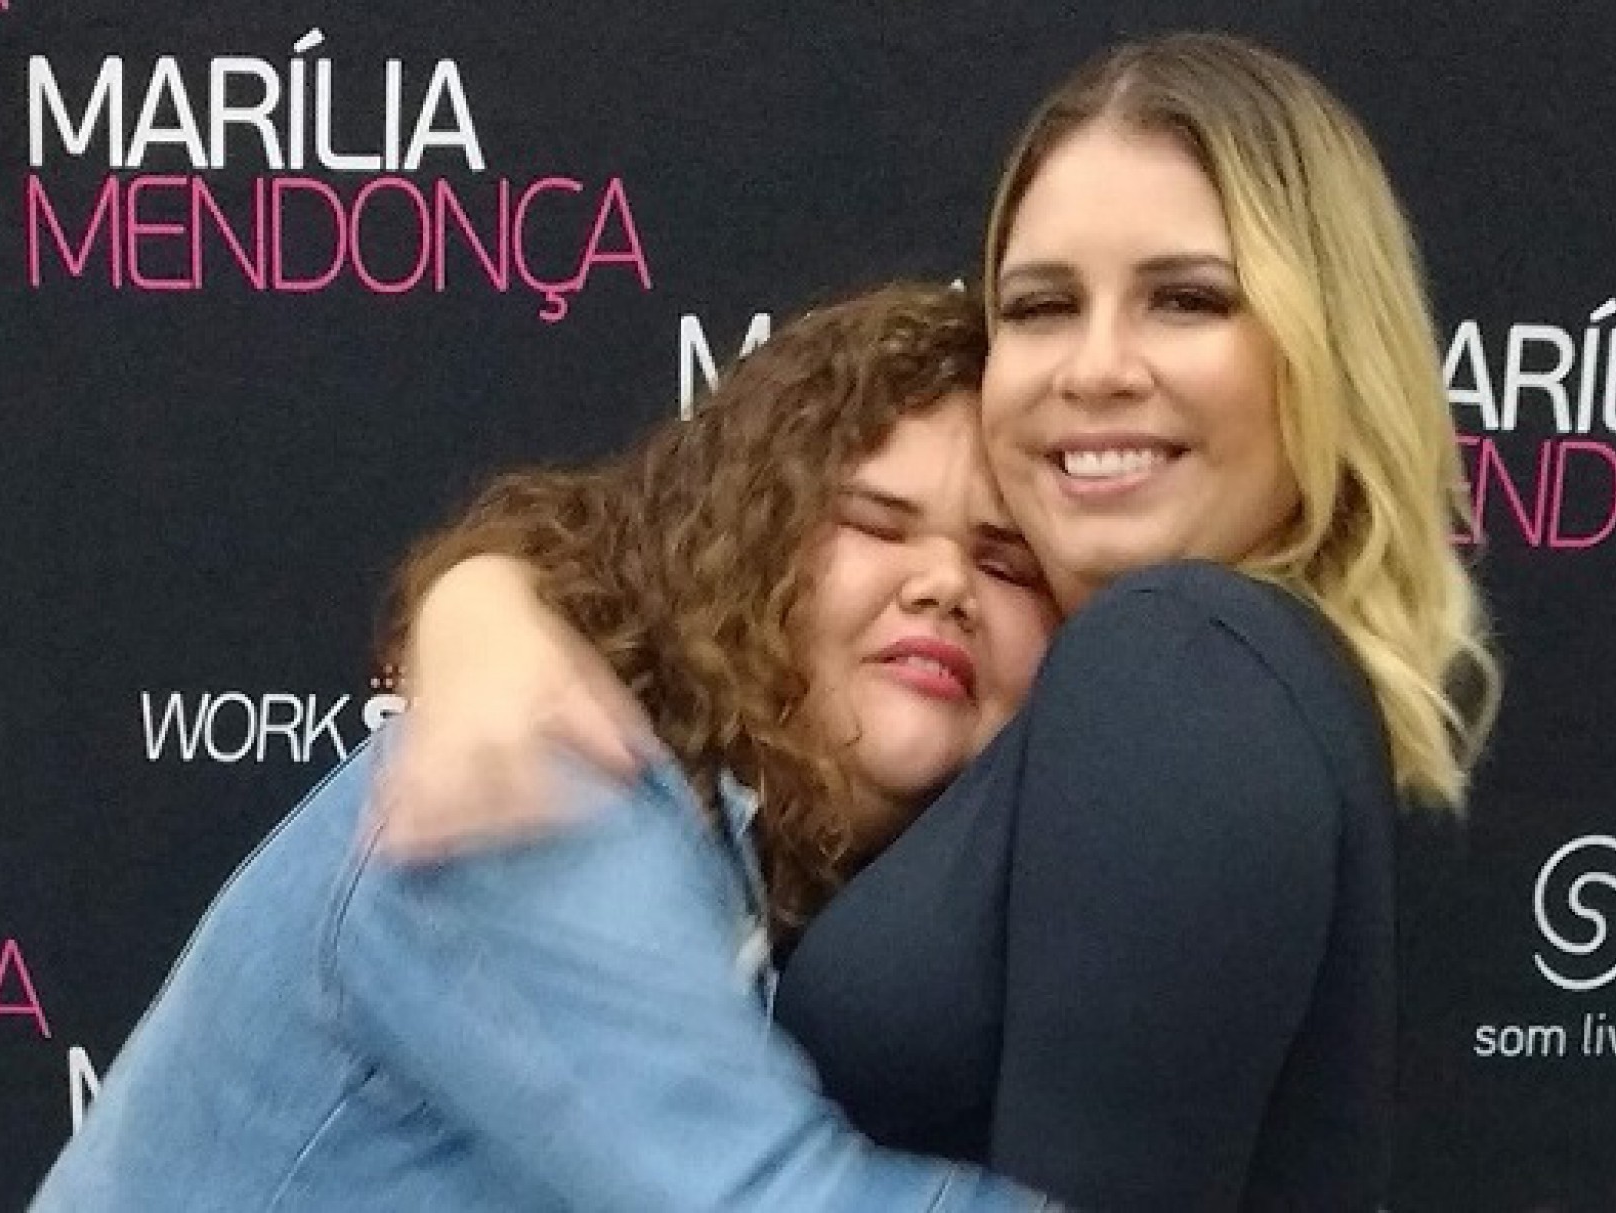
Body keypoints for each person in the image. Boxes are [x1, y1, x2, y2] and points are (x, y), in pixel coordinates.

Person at [376, 31, 1499, 1213]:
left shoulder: (1180, 660)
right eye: (1042, 305)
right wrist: (483, 602)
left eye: (1186, 299)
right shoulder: (1134, 694)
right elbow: (616, 544)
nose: (1097, 367)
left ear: (1323, 347)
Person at [29, 285, 1062, 1212]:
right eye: (878, 523)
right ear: (753, 545)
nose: (942, 583)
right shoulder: (556, 777)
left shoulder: (789, 892)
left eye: (1005, 561)